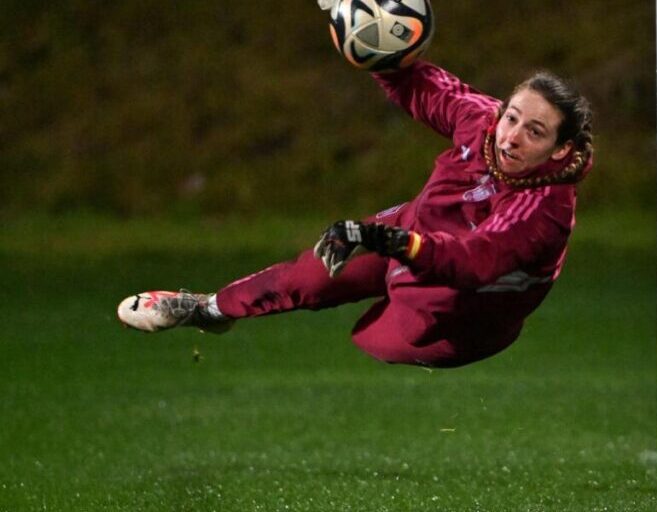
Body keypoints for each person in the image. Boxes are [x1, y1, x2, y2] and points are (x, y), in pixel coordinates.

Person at [117, 30, 594, 368]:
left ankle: (390, 289)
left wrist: (398, 244)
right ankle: (208, 309)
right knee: (317, 271)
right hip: (410, 237)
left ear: (562, 148)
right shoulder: (484, 121)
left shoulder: (547, 206)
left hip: (464, 311)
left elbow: (475, 261)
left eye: (535, 132)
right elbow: (418, 86)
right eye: (512, 117)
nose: (511, 137)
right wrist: (371, 44)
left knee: (378, 338)